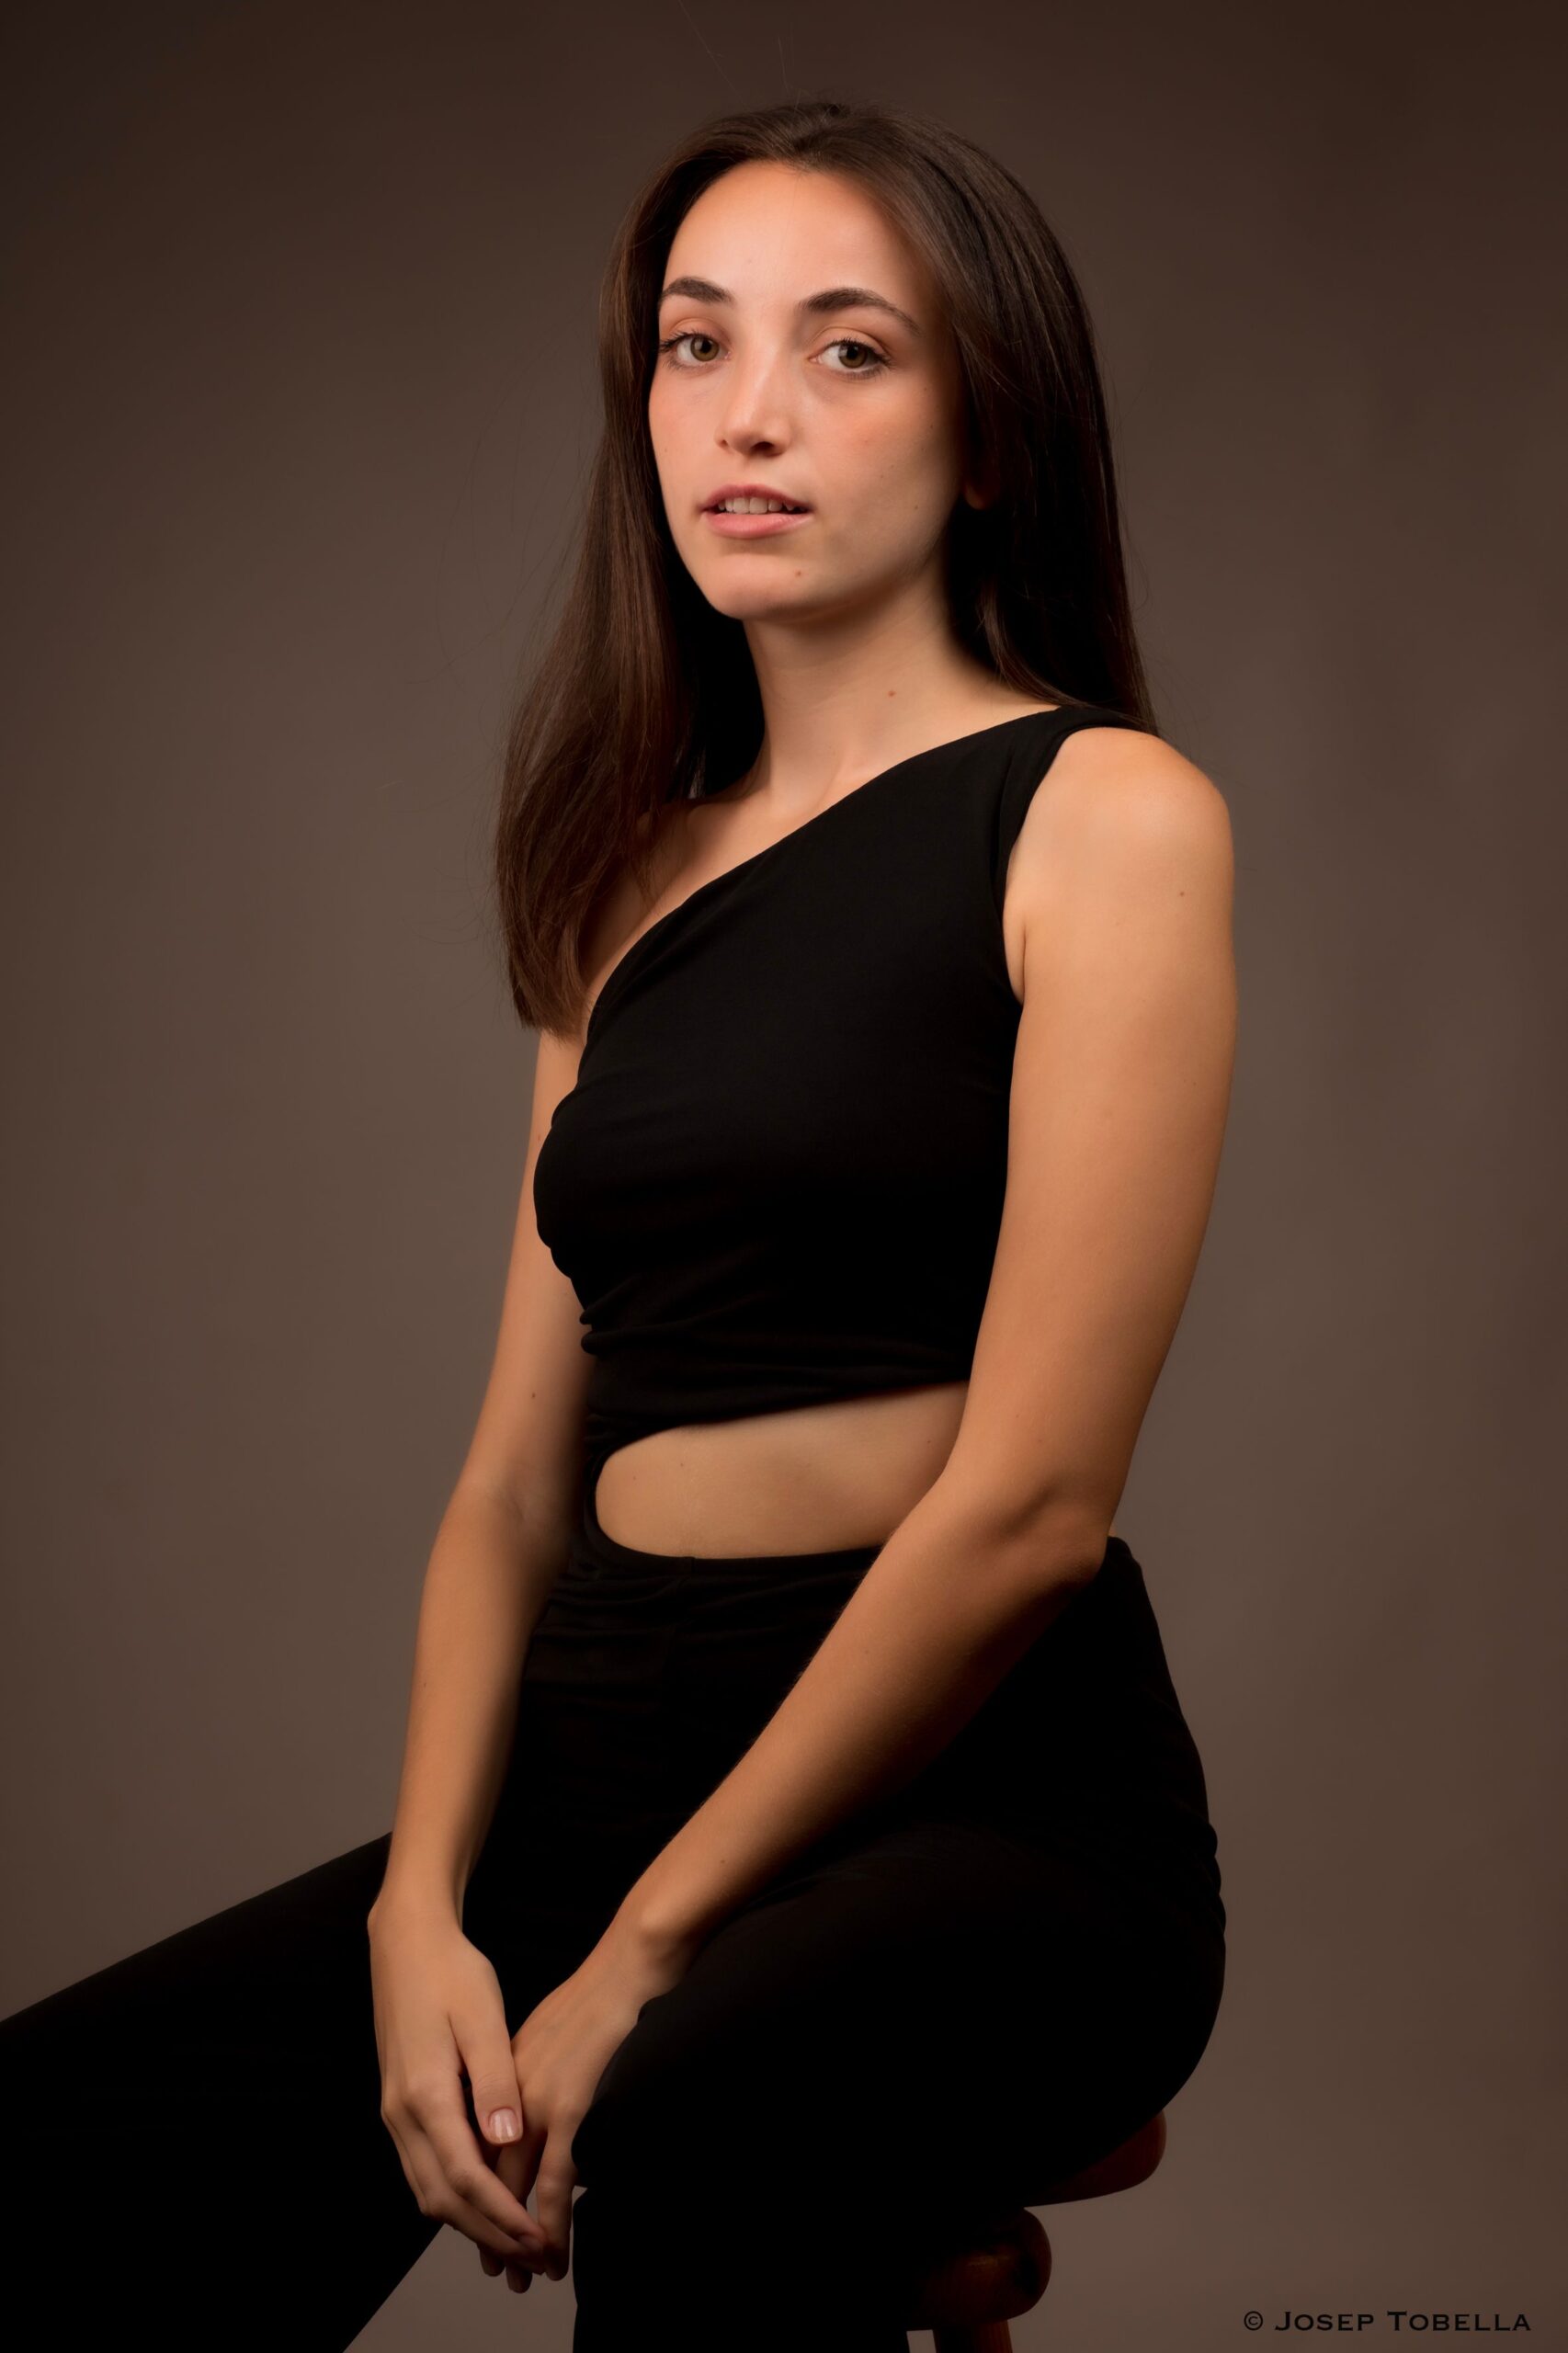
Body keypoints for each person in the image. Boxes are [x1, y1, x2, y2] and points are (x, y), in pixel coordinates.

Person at [0, 97, 1238, 2353]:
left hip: (984, 1791)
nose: (747, 414)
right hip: (596, 1749)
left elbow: (1032, 1512)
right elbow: (506, 1483)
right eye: (694, 342)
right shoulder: (622, 875)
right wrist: (421, 1913)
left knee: (686, 2124)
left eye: (848, 348)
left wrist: (639, 1951)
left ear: (989, 435)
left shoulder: (1101, 816)